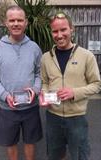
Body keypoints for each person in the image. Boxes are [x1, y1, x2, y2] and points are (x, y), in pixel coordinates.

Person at [40, 9, 101, 160]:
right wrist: (44, 94)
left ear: (71, 29)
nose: (59, 35)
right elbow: (44, 81)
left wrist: (74, 93)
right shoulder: (46, 58)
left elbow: (96, 84)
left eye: (63, 29)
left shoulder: (87, 56)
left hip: (77, 118)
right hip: (53, 117)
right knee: (54, 155)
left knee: (80, 155)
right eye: (55, 31)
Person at [0, 5, 43, 160]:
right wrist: (4, 95)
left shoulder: (34, 48)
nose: (16, 23)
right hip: (7, 108)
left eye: (19, 20)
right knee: (11, 142)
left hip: (31, 107)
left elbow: (40, 74)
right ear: (6, 23)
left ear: (26, 22)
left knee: (31, 141)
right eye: (12, 20)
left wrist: (36, 90)